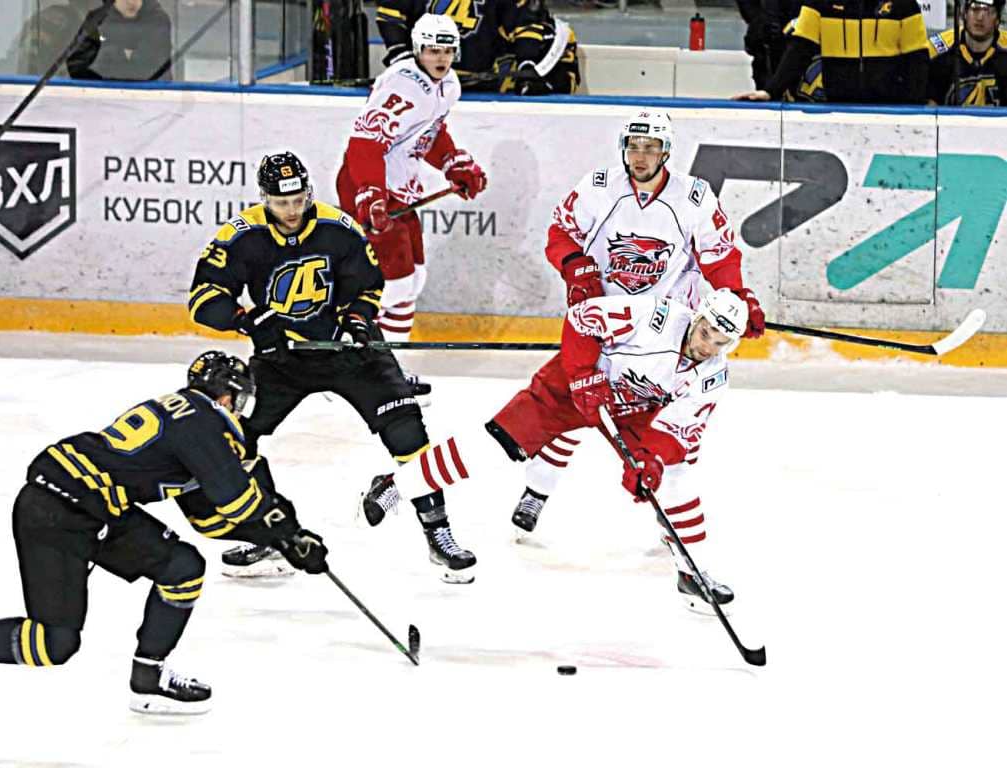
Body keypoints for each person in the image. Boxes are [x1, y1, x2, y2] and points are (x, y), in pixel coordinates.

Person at [0, 352, 331, 716]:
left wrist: (278, 540)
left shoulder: (187, 420)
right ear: (226, 395)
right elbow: (235, 500)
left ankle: (148, 679)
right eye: (239, 401)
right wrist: (289, 535)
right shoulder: (203, 420)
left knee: (182, 567)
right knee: (53, 643)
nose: (240, 411)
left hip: (97, 507)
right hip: (57, 508)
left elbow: (208, 518)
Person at [188, 151, 476, 583]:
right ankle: (270, 534)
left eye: (298, 200)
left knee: (408, 432)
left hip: (350, 352)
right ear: (264, 198)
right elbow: (203, 299)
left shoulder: (338, 228)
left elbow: (368, 286)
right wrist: (249, 321)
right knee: (237, 436)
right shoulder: (241, 236)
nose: (291, 211)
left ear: (308, 193)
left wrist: (357, 319)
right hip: (282, 359)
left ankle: (439, 535)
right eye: (281, 202)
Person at [363, 291, 748, 612]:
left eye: (719, 342)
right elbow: (582, 318)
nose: (706, 346)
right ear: (697, 317)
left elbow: (674, 431)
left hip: (631, 412)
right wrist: (583, 375)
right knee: (493, 447)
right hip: (569, 389)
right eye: (706, 332)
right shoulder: (655, 317)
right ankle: (398, 483)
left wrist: (651, 461)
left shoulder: (713, 377)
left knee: (676, 477)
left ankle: (693, 573)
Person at [505, 110, 764, 536]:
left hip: (671, 336)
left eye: (651, 148)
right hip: (605, 326)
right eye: (634, 147)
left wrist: (736, 297)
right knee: (577, 409)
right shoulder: (599, 187)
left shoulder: (693, 198)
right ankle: (538, 489)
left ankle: (673, 512)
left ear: (666, 152)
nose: (641, 156)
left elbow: (718, 256)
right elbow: (560, 233)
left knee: (679, 428)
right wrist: (574, 265)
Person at [336, 14, 487, 341]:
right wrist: (370, 193)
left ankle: (390, 359)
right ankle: (351, 354)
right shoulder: (402, 85)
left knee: (413, 278)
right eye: (433, 51)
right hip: (369, 184)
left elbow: (428, 134)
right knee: (391, 281)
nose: (441, 59)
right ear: (418, 50)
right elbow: (364, 144)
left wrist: (452, 163)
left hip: (398, 189)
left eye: (447, 51)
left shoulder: (449, 85)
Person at [734, 0, 930, 104]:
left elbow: (917, 58)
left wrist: (915, 107)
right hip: (836, 106)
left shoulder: (904, 4)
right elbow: (800, 47)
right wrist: (771, 91)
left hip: (891, 110)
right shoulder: (819, 2)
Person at [375, 0, 554, 91]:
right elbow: (391, 15)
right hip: (419, 83)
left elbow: (523, 25)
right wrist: (400, 54)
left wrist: (527, 65)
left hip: (482, 84)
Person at [67, 0, 173, 81]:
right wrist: (123, 55)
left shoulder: (158, 20)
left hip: (153, 97)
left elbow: (153, 68)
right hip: (102, 96)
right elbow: (76, 66)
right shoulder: (97, 19)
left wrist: (108, 56)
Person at [927, 0, 1007, 106]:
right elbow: (929, 110)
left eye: (987, 11)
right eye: (975, 9)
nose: (980, 17)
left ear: (997, 19)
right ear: (964, 13)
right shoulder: (940, 60)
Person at [502, 13, 581, 96]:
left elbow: (568, 86)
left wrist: (542, 85)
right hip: (501, 96)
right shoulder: (501, 29)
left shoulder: (561, 34)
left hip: (546, 97)